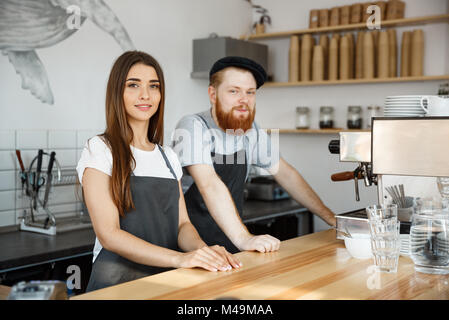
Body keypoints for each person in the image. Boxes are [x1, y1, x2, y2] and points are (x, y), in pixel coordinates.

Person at [76, 51, 241, 292]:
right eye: (133, 85)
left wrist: (202, 251)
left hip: (164, 282)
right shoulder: (100, 149)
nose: (145, 95)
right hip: (115, 286)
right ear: (117, 92)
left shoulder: (168, 157)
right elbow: (109, 234)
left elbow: (182, 225)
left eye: (154, 86)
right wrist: (180, 259)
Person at [172, 56, 336, 254]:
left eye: (250, 92)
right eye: (234, 91)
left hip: (229, 242)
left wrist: (331, 218)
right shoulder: (193, 126)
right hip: (189, 246)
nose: (244, 100)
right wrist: (245, 238)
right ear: (213, 94)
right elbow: (209, 184)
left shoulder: (250, 132)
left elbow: (286, 174)